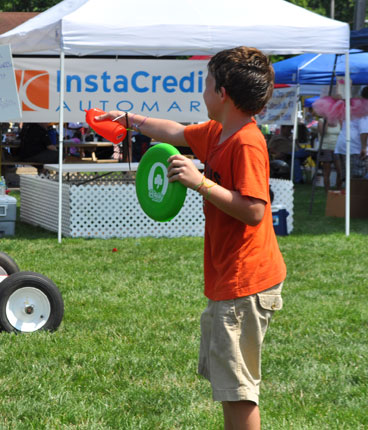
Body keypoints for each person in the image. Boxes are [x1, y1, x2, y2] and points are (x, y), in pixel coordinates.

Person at [98, 46, 285, 430]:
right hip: (229, 279)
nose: (202, 89)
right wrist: (130, 120)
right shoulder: (219, 132)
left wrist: (199, 181)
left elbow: (254, 210)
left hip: (244, 282)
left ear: (223, 94)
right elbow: (176, 132)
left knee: (238, 389)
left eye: (207, 81)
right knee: (228, 383)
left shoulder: (246, 142)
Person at [333, 86, 368, 187]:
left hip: (343, 145)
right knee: (357, 180)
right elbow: (364, 130)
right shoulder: (365, 109)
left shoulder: (353, 106)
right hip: (355, 148)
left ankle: (343, 200)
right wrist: (363, 147)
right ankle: (352, 201)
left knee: (347, 179)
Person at [317, 120, 341, 190]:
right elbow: (322, 133)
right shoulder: (321, 121)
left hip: (337, 148)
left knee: (340, 171)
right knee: (327, 172)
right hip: (325, 148)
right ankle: (327, 191)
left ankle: (338, 189)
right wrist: (326, 121)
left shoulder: (339, 121)